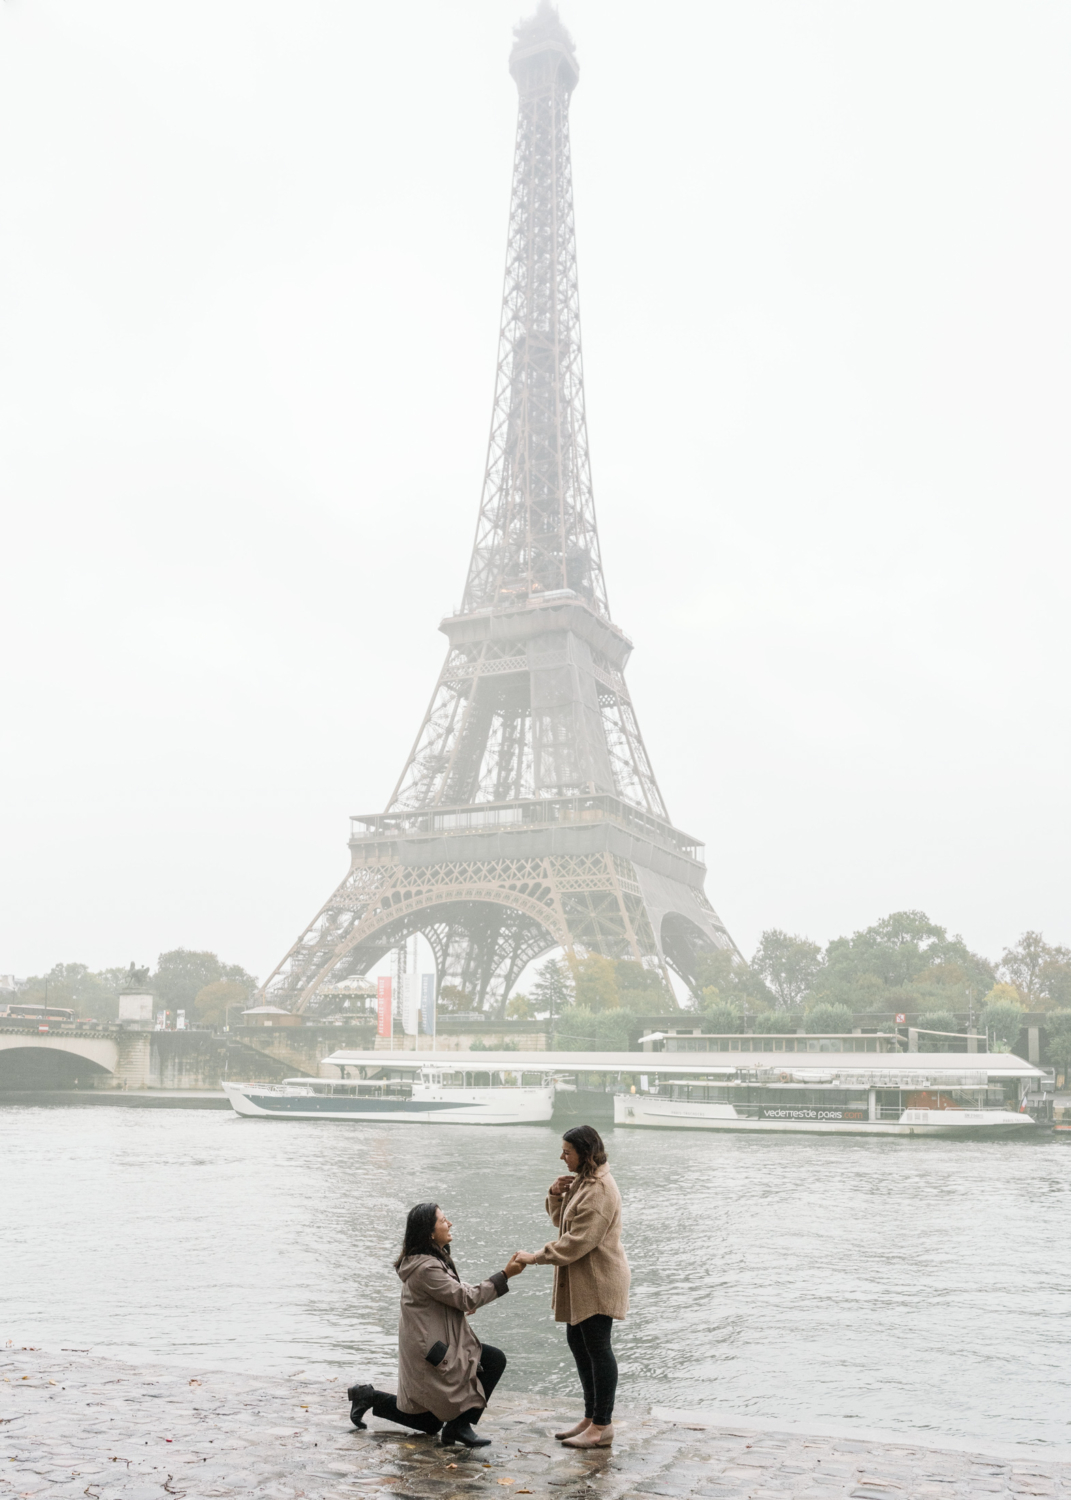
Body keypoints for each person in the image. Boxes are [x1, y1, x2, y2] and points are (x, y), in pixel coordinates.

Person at [347, 1202, 524, 1448]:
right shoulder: (427, 1267)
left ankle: (369, 1397)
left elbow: (451, 1297)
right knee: (493, 1360)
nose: (449, 1223)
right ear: (430, 1233)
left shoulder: (428, 1260)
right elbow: (465, 1297)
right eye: (443, 1220)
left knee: (430, 1424)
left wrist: (458, 1304)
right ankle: (459, 1426)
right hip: (432, 1350)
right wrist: (505, 1275)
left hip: (432, 1343)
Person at [512, 1125, 629, 1449]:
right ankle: (591, 1418)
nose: (561, 1156)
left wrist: (535, 1257)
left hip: (599, 1279)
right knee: (579, 1343)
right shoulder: (585, 1181)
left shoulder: (601, 1189)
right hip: (582, 1279)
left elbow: (578, 1242)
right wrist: (555, 1193)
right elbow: (563, 1222)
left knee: (598, 1348)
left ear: (584, 1153)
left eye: (567, 1151)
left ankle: (602, 1426)